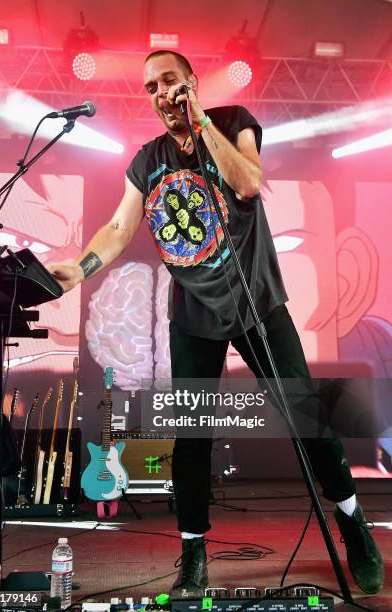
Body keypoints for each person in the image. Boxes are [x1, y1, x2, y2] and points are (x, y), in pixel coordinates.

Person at [50, 50, 384, 597]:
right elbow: (116, 228)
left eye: (170, 81)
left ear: (192, 84)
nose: (162, 93)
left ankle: (352, 523)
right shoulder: (147, 160)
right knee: (191, 438)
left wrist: (203, 121)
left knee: (306, 415)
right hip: (194, 315)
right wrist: (74, 271)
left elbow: (248, 182)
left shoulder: (232, 123)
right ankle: (193, 550)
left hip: (257, 303)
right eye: (152, 87)